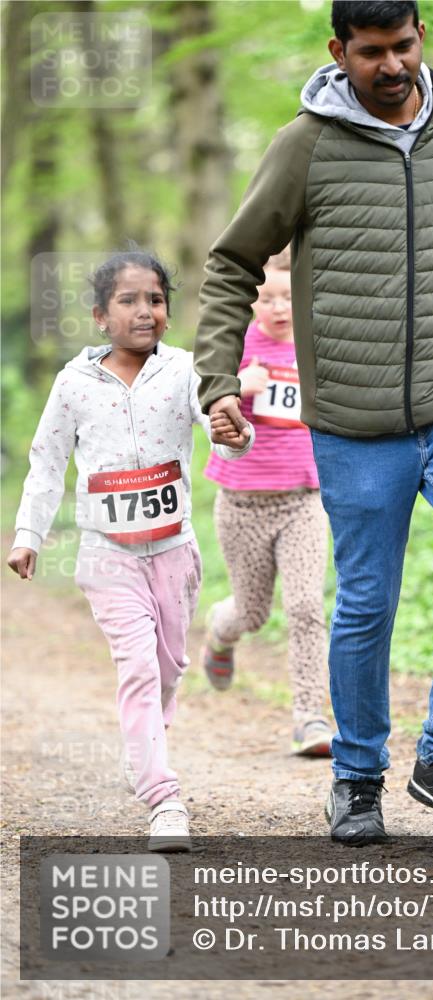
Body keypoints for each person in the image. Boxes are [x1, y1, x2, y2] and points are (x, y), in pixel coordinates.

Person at [194, 0, 433, 845]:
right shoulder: (305, 146)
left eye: (402, 46)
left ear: (420, 37)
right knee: (366, 599)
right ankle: (356, 779)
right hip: (354, 419)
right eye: (370, 52)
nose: (390, 66)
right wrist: (217, 378)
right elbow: (231, 261)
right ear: (339, 50)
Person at [7, 248, 252, 851]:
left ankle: (145, 746)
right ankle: (163, 797)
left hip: (174, 553)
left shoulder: (186, 370)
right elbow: (47, 462)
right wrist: (28, 534)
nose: (145, 311)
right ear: (99, 315)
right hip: (107, 553)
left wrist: (235, 434)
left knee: (168, 668)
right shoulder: (73, 385)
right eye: (129, 300)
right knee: (138, 667)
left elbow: (222, 436)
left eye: (157, 300)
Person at [201, 250, 332, 756]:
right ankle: (220, 628)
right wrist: (237, 388)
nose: (278, 308)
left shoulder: (315, 345)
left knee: (304, 606)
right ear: (252, 301)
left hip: (304, 500)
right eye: (267, 298)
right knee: (252, 614)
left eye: (288, 297)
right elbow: (205, 415)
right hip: (242, 504)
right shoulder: (235, 348)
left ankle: (310, 718)